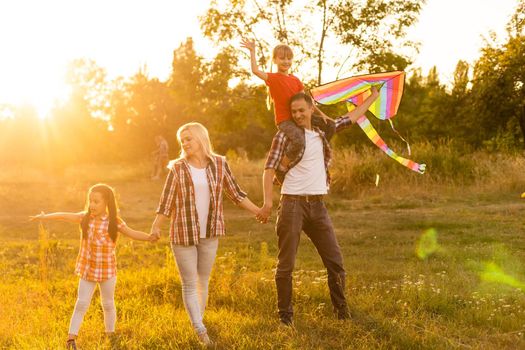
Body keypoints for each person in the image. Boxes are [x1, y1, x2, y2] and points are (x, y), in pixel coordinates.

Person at [257, 89, 379, 326]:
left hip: (318, 206)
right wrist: (268, 202)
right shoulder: (284, 135)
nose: (298, 115)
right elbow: (269, 168)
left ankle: (342, 313)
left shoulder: (322, 131)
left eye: (302, 110)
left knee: (335, 262)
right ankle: (285, 317)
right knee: (286, 264)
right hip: (292, 204)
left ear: (312, 108)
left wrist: (373, 98)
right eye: (294, 112)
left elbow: (349, 119)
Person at [150, 122, 261, 346]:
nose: (185, 143)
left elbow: (236, 194)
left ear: (201, 138)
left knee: (203, 281)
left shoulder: (219, 164)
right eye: (182, 140)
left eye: (189, 138)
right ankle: (200, 330)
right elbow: (166, 201)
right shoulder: (178, 167)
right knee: (190, 283)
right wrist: (156, 226)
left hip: (210, 231)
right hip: (183, 232)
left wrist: (259, 211)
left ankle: (197, 321)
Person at [29, 184, 158, 350]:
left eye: (96, 201)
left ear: (107, 203)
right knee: (81, 303)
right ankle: (71, 339)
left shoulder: (114, 222)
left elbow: (132, 233)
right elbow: (64, 216)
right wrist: (44, 216)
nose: (92, 205)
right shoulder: (85, 218)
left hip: (107, 271)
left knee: (108, 304)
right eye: (90, 201)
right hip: (87, 270)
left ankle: (110, 335)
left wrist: (149, 237)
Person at [240, 38, 336, 179]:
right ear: (274, 60)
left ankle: (318, 153)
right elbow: (255, 70)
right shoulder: (273, 78)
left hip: (301, 117)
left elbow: (307, 103)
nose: (286, 61)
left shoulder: (296, 80)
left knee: (331, 125)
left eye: (289, 58)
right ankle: (282, 166)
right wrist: (252, 52)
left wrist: (323, 115)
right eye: (282, 58)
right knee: (298, 140)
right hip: (286, 121)